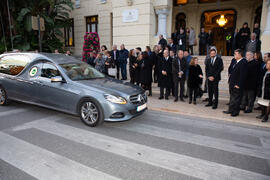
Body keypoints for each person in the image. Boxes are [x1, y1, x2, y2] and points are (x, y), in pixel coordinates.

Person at [223, 49, 248, 117]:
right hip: (232, 82)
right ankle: (230, 110)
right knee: (232, 98)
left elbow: (243, 75)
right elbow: (231, 69)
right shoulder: (234, 61)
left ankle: (235, 112)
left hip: (237, 84)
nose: (234, 55)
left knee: (237, 99)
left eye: (235, 54)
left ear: (240, 54)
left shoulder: (243, 62)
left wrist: (238, 84)